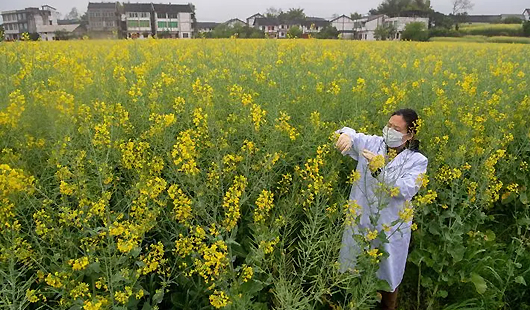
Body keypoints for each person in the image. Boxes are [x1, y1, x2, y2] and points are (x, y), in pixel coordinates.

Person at [335, 108, 428, 310]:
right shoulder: (373, 143)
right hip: (361, 219)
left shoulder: (417, 161)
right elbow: (350, 134)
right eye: (388, 125)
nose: (389, 130)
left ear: (410, 135)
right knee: (354, 269)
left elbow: (404, 189)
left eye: (396, 128)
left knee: (387, 275)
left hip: (390, 225)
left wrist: (379, 170)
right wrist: (345, 136)